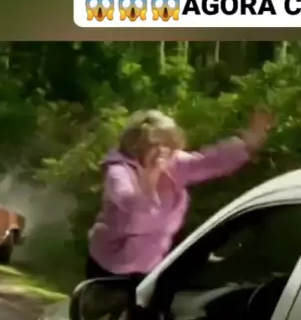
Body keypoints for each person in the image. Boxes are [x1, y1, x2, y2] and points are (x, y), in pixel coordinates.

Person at [86, 108, 273, 283]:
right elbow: (133, 206)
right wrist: (149, 182)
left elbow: (208, 162)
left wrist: (249, 141)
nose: (162, 151)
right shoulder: (119, 171)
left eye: (167, 144)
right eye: (155, 145)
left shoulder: (172, 163)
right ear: (137, 146)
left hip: (149, 268)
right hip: (110, 268)